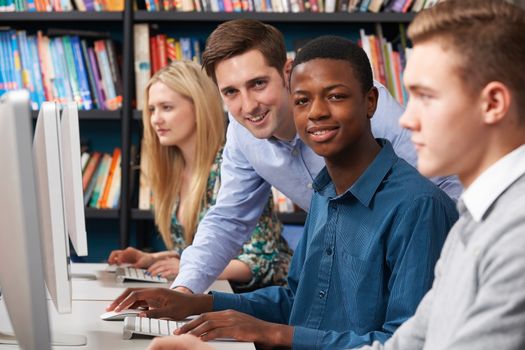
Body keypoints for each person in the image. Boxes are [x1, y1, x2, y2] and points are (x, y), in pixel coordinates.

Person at [109, 36, 458, 350]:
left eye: (335, 96)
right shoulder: (324, 193)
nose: (317, 112)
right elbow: (299, 299)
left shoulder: (419, 205)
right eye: (303, 100)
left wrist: (273, 333)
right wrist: (195, 301)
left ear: (370, 103)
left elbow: (408, 342)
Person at [169, 19, 462, 294]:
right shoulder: (242, 133)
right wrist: (185, 290)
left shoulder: (360, 107)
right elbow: (229, 218)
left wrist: (460, 272)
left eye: (258, 83)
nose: (249, 106)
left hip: (424, 259)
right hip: (348, 268)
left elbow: (440, 191)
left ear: (287, 72)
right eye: (231, 92)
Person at [355, 1, 525, 349]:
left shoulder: (517, 235)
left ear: (493, 103)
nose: (406, 118)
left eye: (426, 96)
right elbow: (408, 343)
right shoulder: (472, 219)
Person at [108, 60, 292, 291]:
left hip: (263, 304)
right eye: (152, 109)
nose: (156, 119)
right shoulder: (173, 171)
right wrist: (155, 259)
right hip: (212, 297)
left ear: (198, 108)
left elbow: (264, 262)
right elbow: (207, 247)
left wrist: (186, 268)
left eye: (166, 107)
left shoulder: (233, 169)